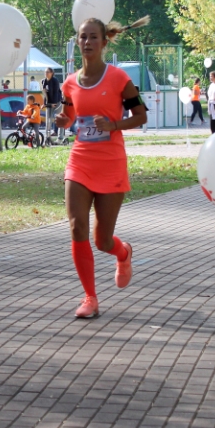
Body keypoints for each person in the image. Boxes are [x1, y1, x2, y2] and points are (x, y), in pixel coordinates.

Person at [55, 18, 149, 319]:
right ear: (77, 42)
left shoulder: (119, 78)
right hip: (80, 160)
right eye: (83, 37)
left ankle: (123, 253)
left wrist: (114, 125)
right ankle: (90, 298)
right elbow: (69, 116)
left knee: (102, 240)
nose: (87, 42)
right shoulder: (70, 83)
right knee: (76, 227)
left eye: (93, 37)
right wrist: (63, 121)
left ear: (104, 42)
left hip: (110, 163)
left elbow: (141, 115)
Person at [42, 67, 63, 137]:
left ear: (52, 73)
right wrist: (44, 103)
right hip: (49, 102)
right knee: (48, 119)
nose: (46, 73)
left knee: (58, 118)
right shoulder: (44, 81)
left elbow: (56, 92)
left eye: (48, 72)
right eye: (45, 72)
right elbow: (45, 94)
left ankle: (60, 136)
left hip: (57, 101)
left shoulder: (55, 80)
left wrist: (54, 103)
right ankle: (47, 136)